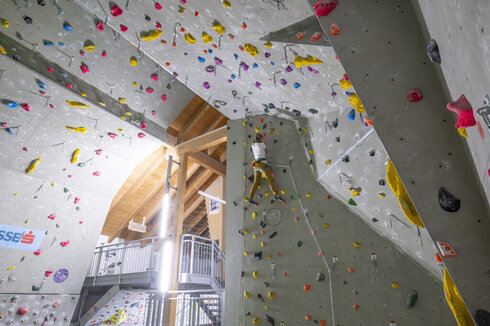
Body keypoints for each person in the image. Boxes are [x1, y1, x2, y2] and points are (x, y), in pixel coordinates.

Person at [246, 134, 285, 206]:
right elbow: (266, 151)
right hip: (262, 164)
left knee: (256, 182)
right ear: (260, 139)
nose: (263, 140)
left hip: (256, 165)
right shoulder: (262, 144)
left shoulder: (253, 145)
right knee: (270, 179)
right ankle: (276, 195)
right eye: (262, 138)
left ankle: (250, 198)